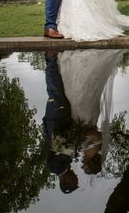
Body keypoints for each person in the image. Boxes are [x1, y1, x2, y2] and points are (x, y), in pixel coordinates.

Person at [42, 51, 79, 194]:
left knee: (55, 91)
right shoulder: (66, 165)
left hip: (55, 120)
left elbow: (63, 148)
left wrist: (76, 144)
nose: (76, 176)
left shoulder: (55, 168)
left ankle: (50, 59)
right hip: (60, 120)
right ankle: (54, 59)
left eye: (74, 180)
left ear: (66, 182)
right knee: (58, 91)